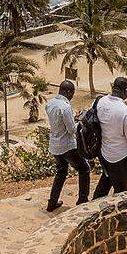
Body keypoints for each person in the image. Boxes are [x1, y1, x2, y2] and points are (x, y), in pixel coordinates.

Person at [92, 76, 127, 198]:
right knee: (121, 191)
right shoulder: (125, 111)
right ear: (126, 91)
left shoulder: (99, 101)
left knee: (106, 180)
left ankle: (94, 205)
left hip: (103, 153)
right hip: (119, 157)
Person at [44, 80, 90, 212]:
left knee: (61, 172)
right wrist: (80, 121)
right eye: (72, 93)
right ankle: (82, 200)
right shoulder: (65, 107)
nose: (72, 97)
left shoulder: (50, 104)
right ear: (68, 92)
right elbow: (71, 130)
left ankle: (52, 202)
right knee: (84, 169)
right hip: (67, 146)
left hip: (54, 145)